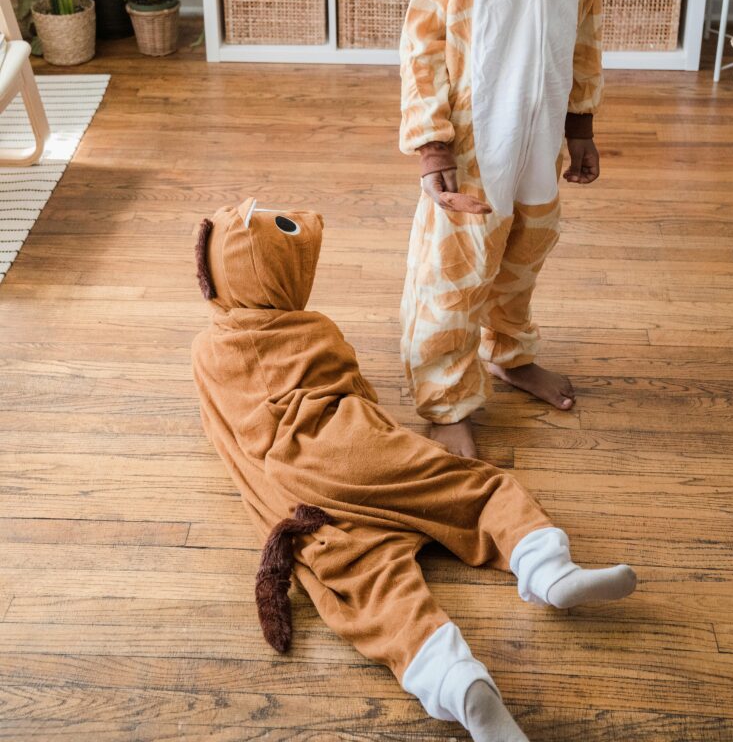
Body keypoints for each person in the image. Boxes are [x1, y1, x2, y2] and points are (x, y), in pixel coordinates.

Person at [191, 200, 636, 742]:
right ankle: (548, 569)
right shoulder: (312, 329)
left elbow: (226, 439)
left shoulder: (203, 354)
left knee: (367, 584)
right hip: (351, 450)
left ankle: (457, 683)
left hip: (291, 497)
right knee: (474, 490)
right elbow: (353, 389)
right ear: (276, 278)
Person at [400, 0, 602, 459]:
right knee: (455, 271)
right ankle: (446, 395)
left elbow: (586, 23)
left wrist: (580, 123)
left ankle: (509, 355)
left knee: (524, 254)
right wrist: (431, 143)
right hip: (475, 142)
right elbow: (422, 41)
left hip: (539, 135)